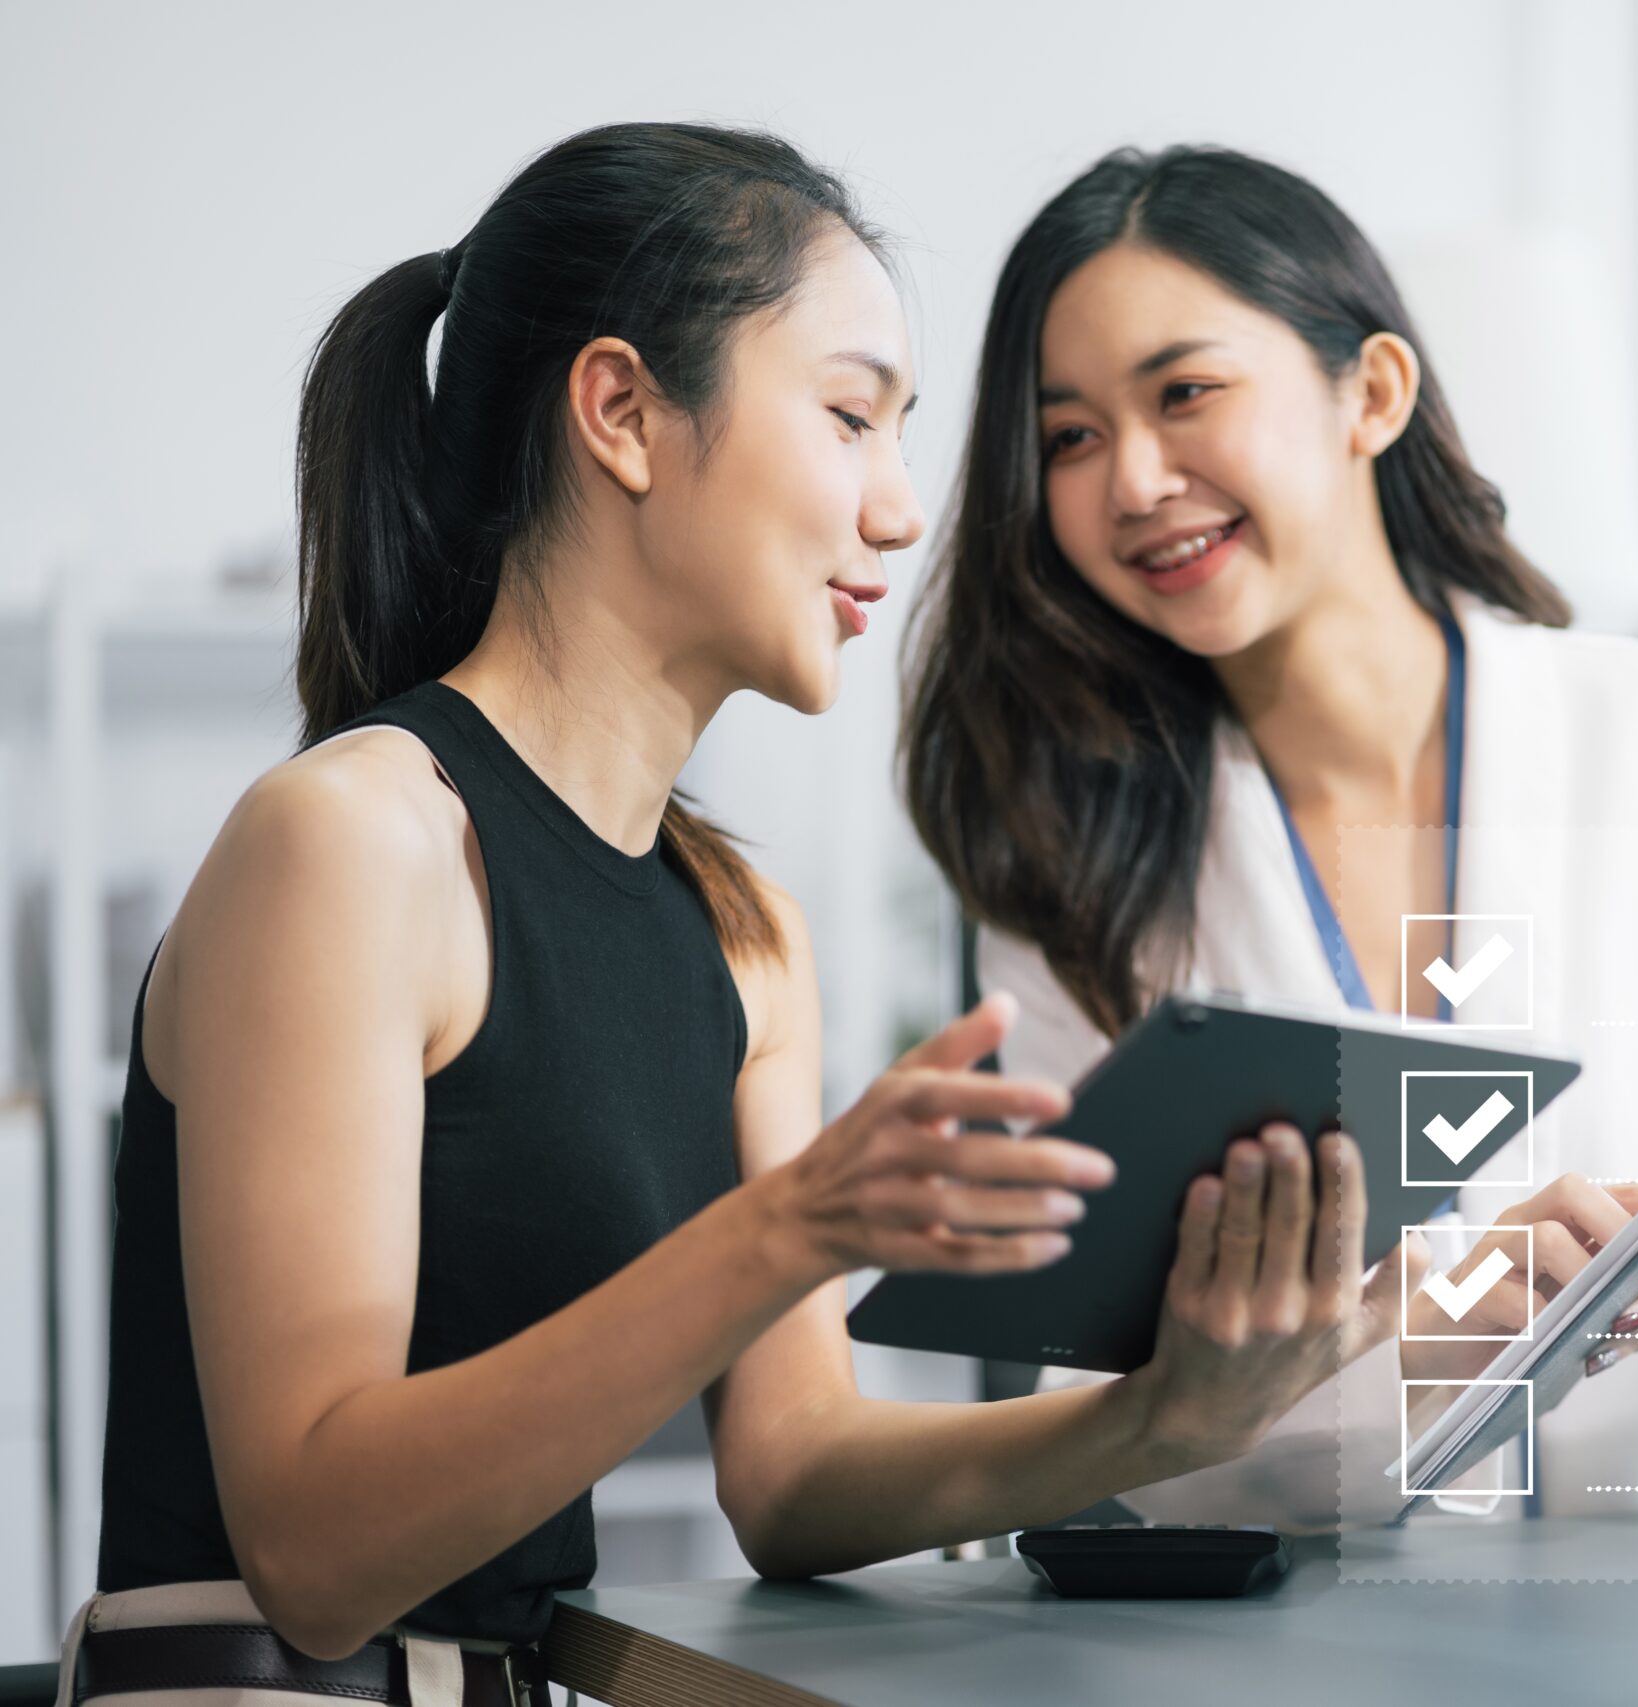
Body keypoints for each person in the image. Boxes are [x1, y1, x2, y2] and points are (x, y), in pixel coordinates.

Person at [70, 123, 1416, 1703]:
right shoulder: (355, 842)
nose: (901, 513)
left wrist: (1170, 1419)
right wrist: (783, 1230)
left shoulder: (744, 932)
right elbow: (314, 1550)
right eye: (850, 417)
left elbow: (790, 1475)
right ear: (626, 413)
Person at [903, 145, 1638, 1528]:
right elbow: (1104, 1372)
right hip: (1310, 1610)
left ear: (1374, 392)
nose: (1135, 479)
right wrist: (1407, 1339)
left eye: (1185, 395)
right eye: (1069, 437)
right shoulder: (1070, 859)